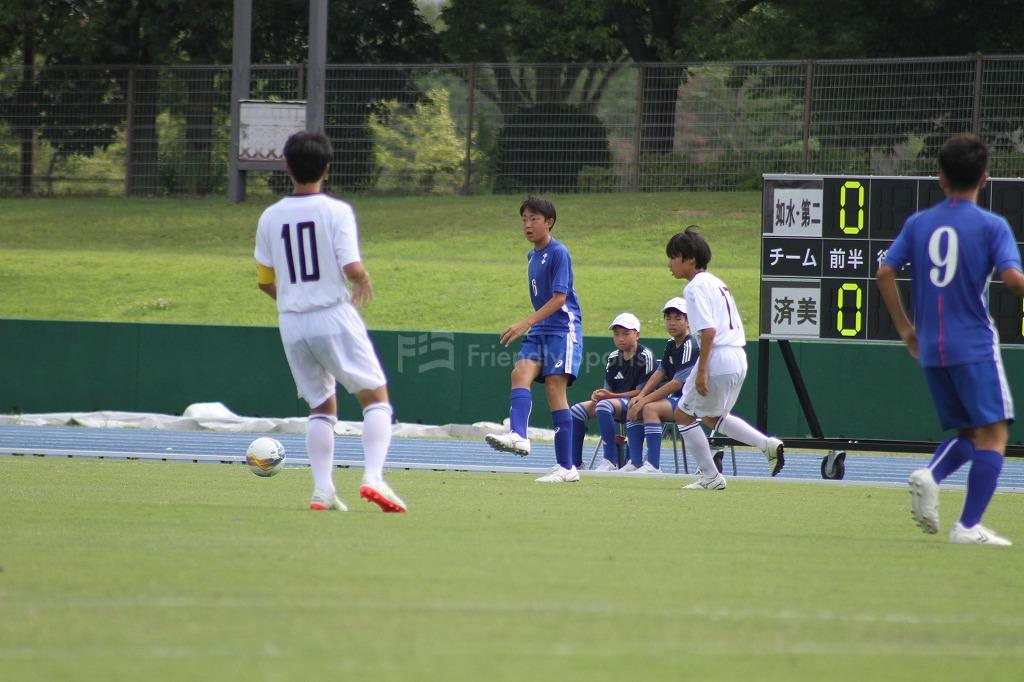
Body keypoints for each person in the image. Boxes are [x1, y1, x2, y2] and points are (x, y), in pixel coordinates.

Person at [877, 133, 1024, 546]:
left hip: (932, 349)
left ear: (940, 178)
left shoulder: (918, 223)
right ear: (985, 179)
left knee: (968, 434)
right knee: (994, 434)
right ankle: (969, 525)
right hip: (974, 343)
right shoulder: (992, 225)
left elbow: (884, 271)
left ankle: (931, 475)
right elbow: (1013, 280)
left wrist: (906, 329)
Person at [254, 130, 406, 513]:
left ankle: (322, 490)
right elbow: (350, 266)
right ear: (326, 167)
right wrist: (364, 280)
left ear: (287, 168)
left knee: (321, 408)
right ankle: (373, 476)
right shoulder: (336, 211)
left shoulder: (270, 216)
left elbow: (264, 281)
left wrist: (293, 300)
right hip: (332, 314)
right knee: (375, 396)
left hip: (291, 322)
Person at [666, 226, 785, 490]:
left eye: (674, 257)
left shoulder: (695, 287)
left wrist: (702, 370)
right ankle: (766, 445)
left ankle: (711, 477)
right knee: (712, 417)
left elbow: (708, 331)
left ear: (690, 259)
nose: (669, 263)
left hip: (718, 357)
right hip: (738, 357)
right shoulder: (718, 283)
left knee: (683, 416)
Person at [485, 197, 584, 483]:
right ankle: (518, 435)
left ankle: (567, 468)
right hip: (541, 329)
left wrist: (525, 322)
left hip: (563, 329)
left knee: (555, 389)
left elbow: (560, 298)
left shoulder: (558, 252)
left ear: (549, 222)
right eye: (524, 219)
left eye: (534, 219)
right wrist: (532, 324)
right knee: (520, 372)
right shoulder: (532, 255)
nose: (527, 225)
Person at [569, 312, 656, 472]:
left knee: (603, 406)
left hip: (639, 404)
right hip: (614, 403)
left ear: (637, 335)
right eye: (616, 334)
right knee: (575, 411)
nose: (620, 338)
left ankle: (610, 460)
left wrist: (609, 397)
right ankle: (576, 463)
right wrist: (600, 394)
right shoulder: (613, 357)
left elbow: (642, 392)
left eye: (625, 334)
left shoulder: (646, 356)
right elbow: (607, 390)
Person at [626, 297, 698, 474]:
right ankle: (635, 462)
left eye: (677, 318)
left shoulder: (690, 344)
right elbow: (660, 372)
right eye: (668, 318)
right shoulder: (671, 345)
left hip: (693, 401)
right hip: (677, 401)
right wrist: (640, 397)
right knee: (633, 403)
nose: (672, 323)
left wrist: (644, 401)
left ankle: (653, 465)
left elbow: (676, 383)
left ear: (688, 321)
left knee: (649, 409)